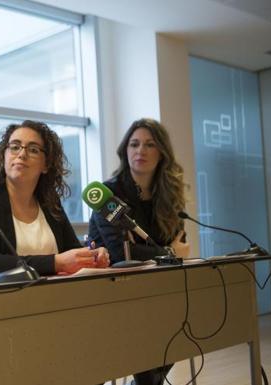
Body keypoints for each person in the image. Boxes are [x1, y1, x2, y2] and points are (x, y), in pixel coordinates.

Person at [88, 117, 189, 385]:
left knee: (180, 329)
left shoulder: (169, 197)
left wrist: (162, 252)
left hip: (156, 291)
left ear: (162, 153)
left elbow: (181, 246)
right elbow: (123, 256)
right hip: (113, 291)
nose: (140, 151)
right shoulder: (108, 194)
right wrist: (167, 251)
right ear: (125, 151)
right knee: (148, 342)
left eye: (149, 145)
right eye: (134, 144)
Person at [0, 120, 109, 281]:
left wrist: (91, 255)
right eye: (14, 147)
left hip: (50, 297)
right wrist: (56, 263)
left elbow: (71, 249)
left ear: (46, 164)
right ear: (3, 156)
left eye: (33, 150)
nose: (21, 154)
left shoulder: (49, 202)